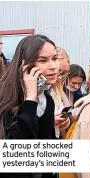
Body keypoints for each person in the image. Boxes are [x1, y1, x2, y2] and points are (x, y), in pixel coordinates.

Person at [0, 35, 59, 178]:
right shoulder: (6, 99)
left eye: (55, 58)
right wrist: (30, 99)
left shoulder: (47, 100)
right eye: (43, 60)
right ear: (24, 66)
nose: (53, 66)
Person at [50, 47, 71, 139]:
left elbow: (66, 112)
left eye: (65, 73)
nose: (60, 77)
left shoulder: (58, 89)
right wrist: (51, 121)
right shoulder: (40, 91)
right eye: (59, 72)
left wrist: (66, 121)